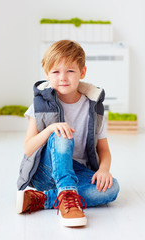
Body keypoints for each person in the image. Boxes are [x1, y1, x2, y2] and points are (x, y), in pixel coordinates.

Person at [16, 40, 120, 227]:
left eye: (70, 71)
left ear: (82, 72)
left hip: (76, 172)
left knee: (111, 189)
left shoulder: (94, 108)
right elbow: (28, 148)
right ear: (47, 74)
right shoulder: (39, 107)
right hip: (46, 173)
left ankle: (45, 199)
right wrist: (50, 130)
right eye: (56, 72)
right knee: (61, 133)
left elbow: (103, 149)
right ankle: (67, 198)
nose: (63, 77)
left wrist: (104, 170)